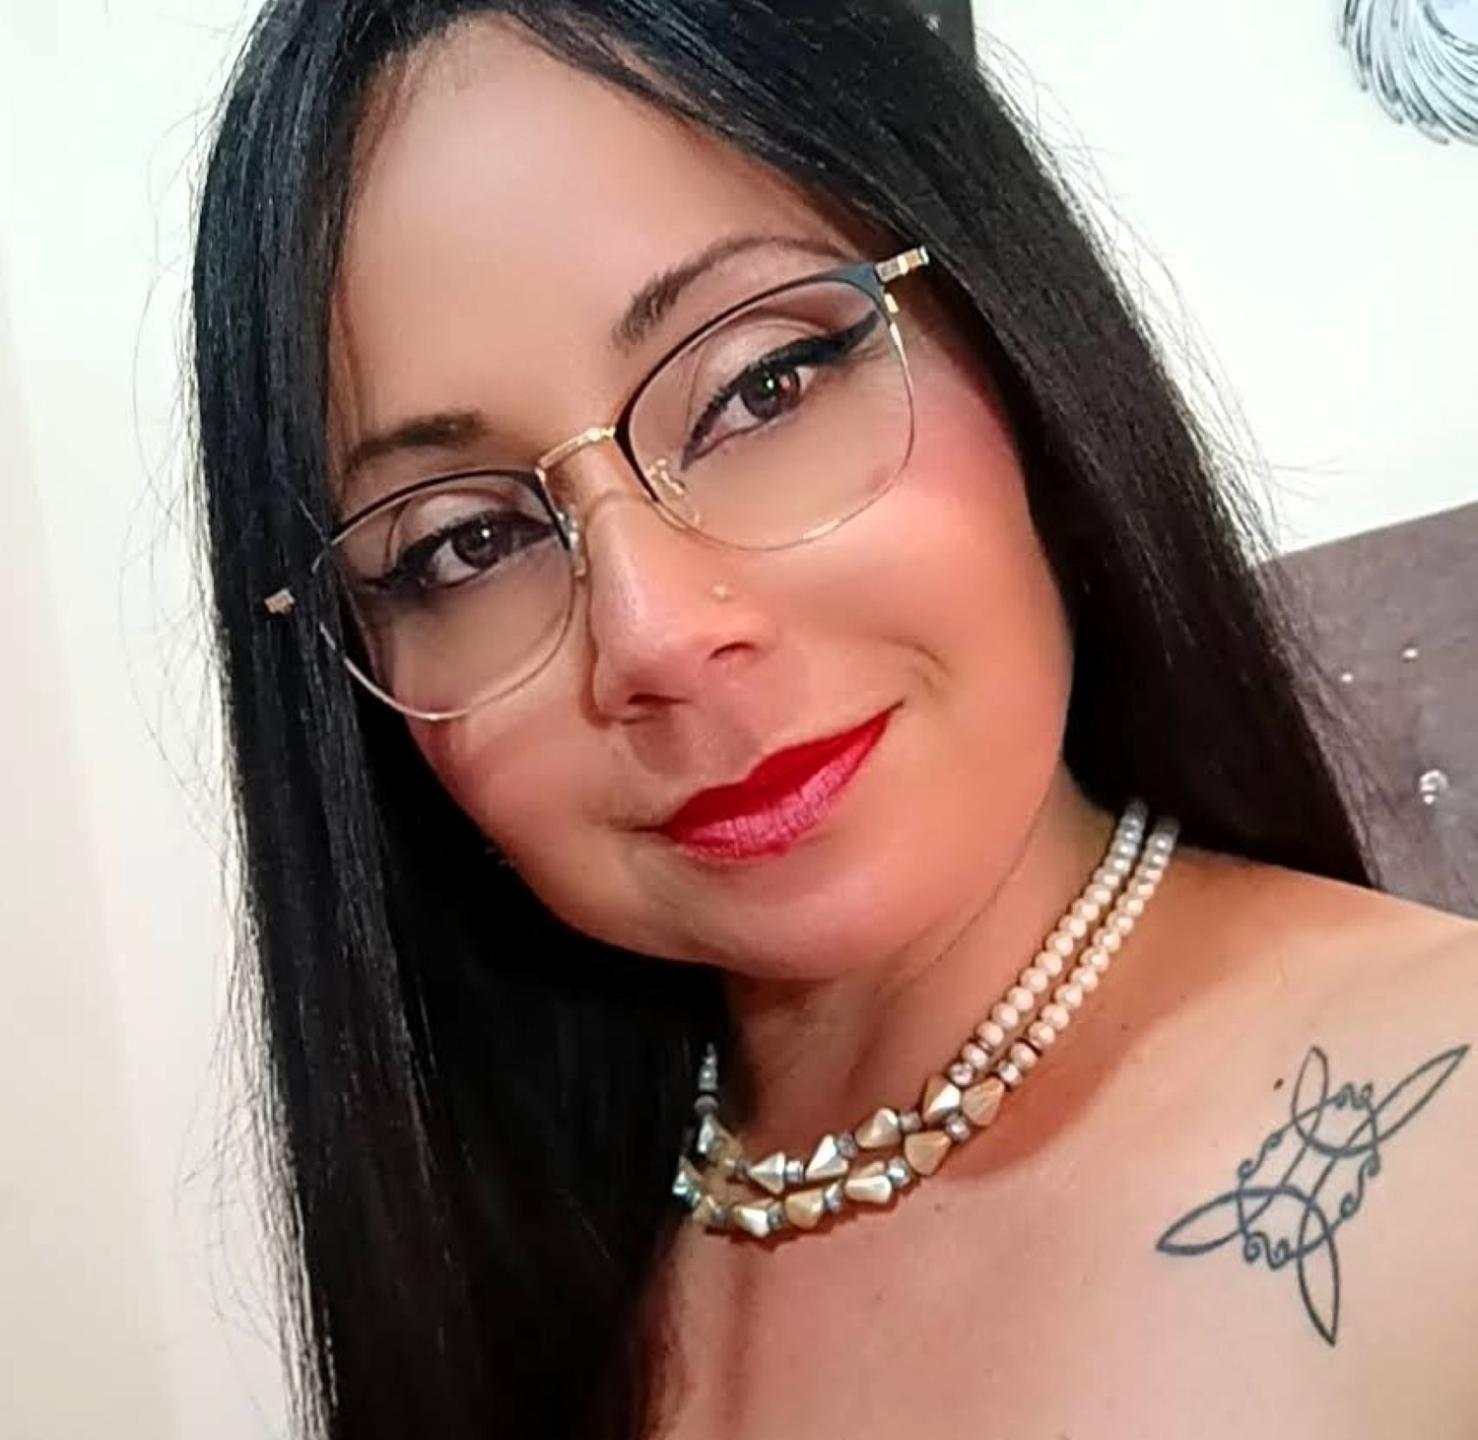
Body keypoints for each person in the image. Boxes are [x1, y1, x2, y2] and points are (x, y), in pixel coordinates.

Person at [189, 3, 1478, 1437]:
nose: (655, 634)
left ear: (1010, 333)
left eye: (762, 387)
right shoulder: (524, 1246)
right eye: (463, 545)